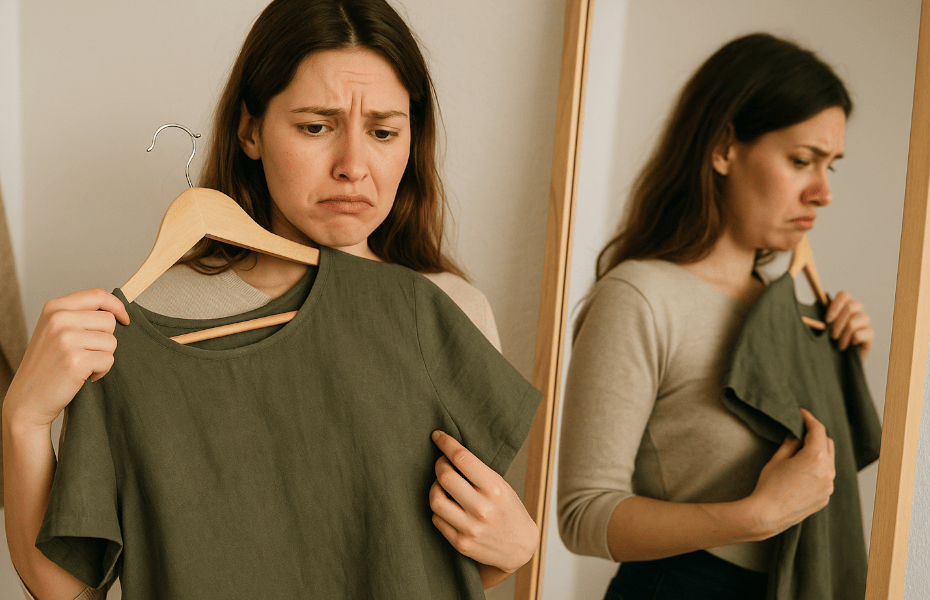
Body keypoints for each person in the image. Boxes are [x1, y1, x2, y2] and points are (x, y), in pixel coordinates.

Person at [2, 1, 539, 598]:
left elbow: (424, 565)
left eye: (384, 132)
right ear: (250, 130)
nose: (354, 167)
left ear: (413, 142)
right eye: (316, 127)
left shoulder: (448, 310)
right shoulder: (134, 330)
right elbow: (69, 592)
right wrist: (23, 419)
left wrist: (515, 549)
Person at [556, 33, 875, 599]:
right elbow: (583, 514)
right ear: (724, 148)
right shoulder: (641, 296)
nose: (823, 192)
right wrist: (754, 515)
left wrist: (840, 367)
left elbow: (824, 489)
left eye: (831, 167)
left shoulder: (792, 315)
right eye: (802, 161)